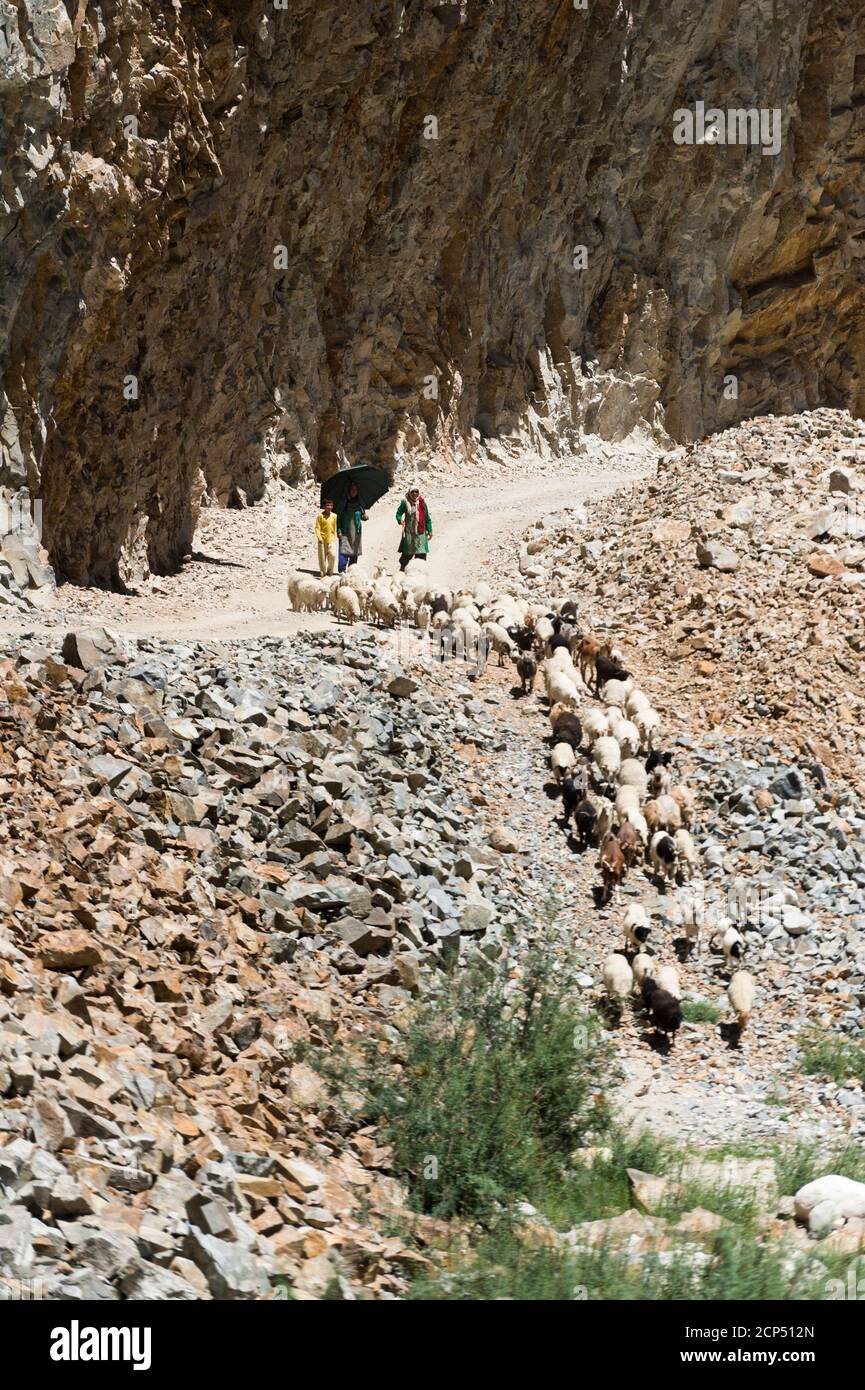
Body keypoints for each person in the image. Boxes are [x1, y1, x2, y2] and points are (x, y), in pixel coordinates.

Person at [396, 482, 432, 571]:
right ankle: (402, 570)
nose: (414, 494)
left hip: (420, 532)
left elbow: (427, 517)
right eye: (412, 492)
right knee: (407, 553)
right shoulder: (405, 502)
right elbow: (398, 513)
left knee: (421, 553)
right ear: (409, 493)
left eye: (416, 491)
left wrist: (430, 530)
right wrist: (400, 520)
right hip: (409, 532)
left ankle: (420, 572)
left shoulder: (422, 503)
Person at [337, 481, 368, 568]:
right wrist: (339, 530)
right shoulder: (343, 503)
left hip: (356, 531)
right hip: (345, 531)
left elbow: (362, 516)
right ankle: (342, 570)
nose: (354, 491)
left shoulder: (360, 503)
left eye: (356, 490)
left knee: (354, 552)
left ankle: (351, 569)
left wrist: (364, 516)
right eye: (352, 489)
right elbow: (339, 518)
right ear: (348, 491)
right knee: (344, 551)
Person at [315, 498, 338, 577]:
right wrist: (319, 538)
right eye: (328, 505)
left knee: (333, 555)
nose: (329, 507)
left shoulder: (334, 516)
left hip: (331, 540)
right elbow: (317, 528)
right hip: (322, 540)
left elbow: (334, 527)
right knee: (322, 559)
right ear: (324, 506)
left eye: (331, 505)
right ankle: (323, 574)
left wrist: (335, 536)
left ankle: (329, 572)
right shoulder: (320, 516)